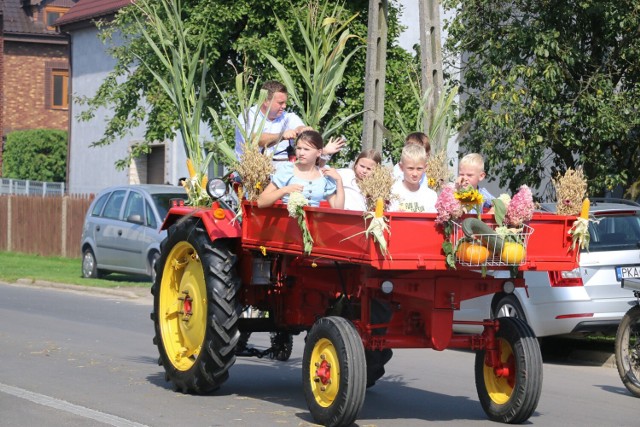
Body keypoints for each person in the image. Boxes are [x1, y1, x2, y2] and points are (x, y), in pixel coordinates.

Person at [234, 80, 344, 165]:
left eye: (285, 103)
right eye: (280, 103)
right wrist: (282, 136)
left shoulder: (288, 117)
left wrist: (303, 130)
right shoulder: (248, 116)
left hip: (282, 169)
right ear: (265, 101)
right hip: (253, 171)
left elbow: (300, 127)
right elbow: (255, 139)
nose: (284, 106)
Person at [257, 130, 344, 209]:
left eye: (306, 149)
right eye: (298, 148)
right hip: (288, 223)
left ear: (319, 152)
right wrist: (284, 190)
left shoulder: (324, 174)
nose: (301, 153)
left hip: (314, 224)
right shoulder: (287, 170)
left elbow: (338, 208)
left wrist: (339, 181)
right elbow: (261, 202)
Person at [388, 144, 437, 212]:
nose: (415, 174)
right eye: (410, 168)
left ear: (425, 168)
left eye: (419, 169)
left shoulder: (431, 196)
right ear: (401, 167)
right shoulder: (391, 192)